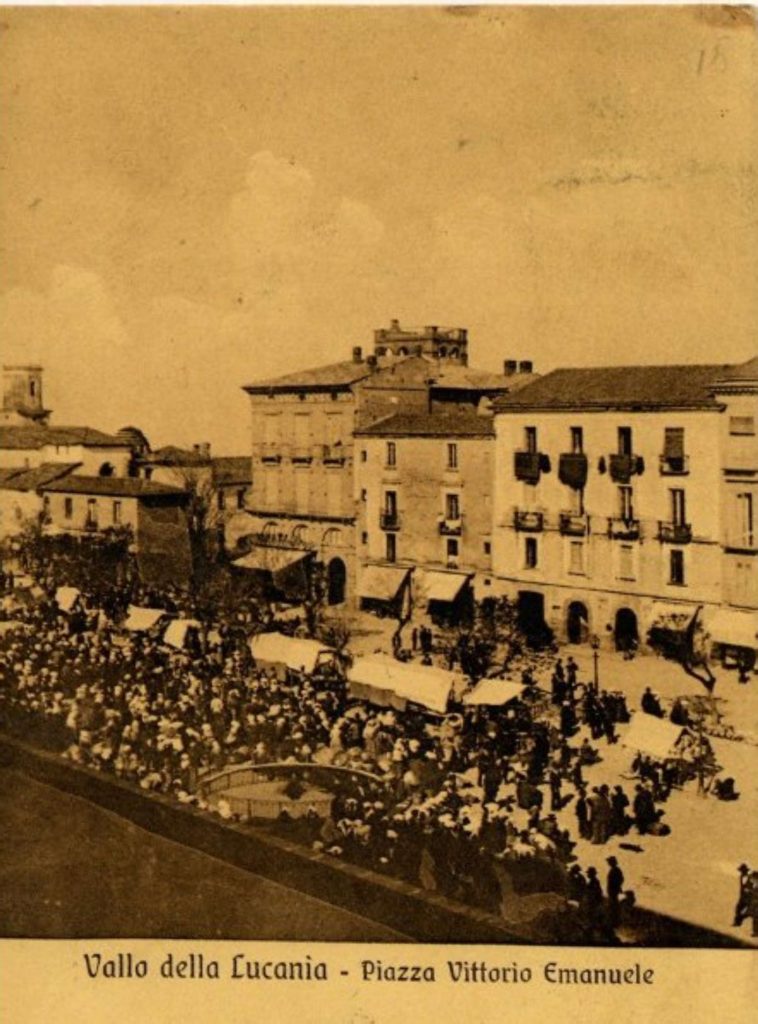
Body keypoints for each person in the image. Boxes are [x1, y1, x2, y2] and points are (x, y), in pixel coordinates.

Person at [606, 856, 625, 927]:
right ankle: (614, 921)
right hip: (613, 891)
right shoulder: (615, 870)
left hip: (613, 891)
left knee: (613, 905)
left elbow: (621, 879)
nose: (608, 863)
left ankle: (614, 921)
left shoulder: (615, 870)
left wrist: (617, 886)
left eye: (609, 862)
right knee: (613, 905)